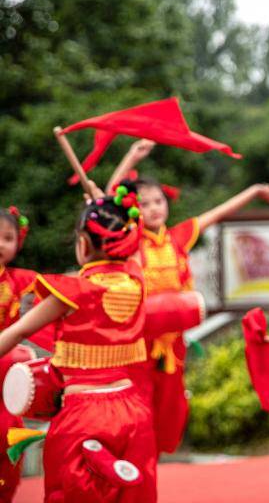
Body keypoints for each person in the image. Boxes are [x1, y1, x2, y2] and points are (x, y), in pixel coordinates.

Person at [108, 138, 269, 455]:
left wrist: (253, 192)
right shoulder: (129, 241)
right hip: (138, 341)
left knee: (171, 411)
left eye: (158, 201)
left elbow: (216, 213)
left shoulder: (178, 237)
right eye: (144, 204)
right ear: (134, 209)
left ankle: (154, 460)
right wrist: (130, 158)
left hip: (173, 342)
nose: (154, 208)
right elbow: (108, 202)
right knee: (137, 409)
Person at [0, 193, 157, 502]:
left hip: (83, 415)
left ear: (83, 245)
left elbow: (18, 332)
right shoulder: (136, 280)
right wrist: (105, 208)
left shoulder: (73, 291)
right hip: (133, 412)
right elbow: (132, 252)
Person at [0, 207, 39, 501]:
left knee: (8, 440)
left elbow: (62, 291)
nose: (1, 244)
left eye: (8, 237)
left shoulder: (21, 280)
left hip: (6, 378)